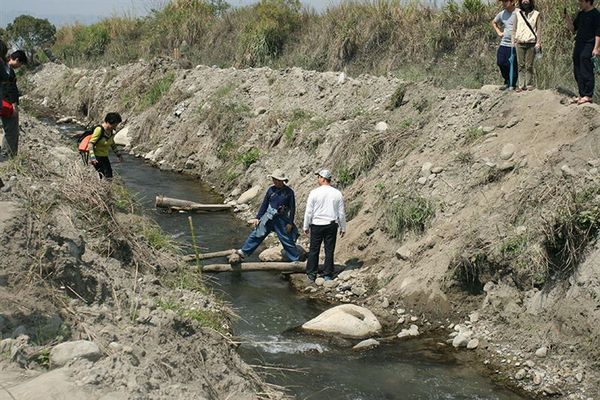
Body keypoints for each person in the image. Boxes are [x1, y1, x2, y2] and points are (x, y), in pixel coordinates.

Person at [236, 169, 300, 262]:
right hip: (268, 217)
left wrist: (290, 223)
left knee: (286, 238)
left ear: (283, 181)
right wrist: (257, 218)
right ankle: (244, 251)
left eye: (278, 180)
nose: (276, 182)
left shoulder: (289, 192)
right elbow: (264, 204)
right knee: (257, 233)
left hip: (281, 219)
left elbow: (292, 208)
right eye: (274, 179)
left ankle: (295, 259)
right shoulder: (271, 190)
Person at [303, 169, 346, 283]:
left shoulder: (314, 192)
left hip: (316, 224)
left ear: (322, 178)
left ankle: (311, 274)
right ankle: (327, 275)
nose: (318, 179)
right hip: (331, 225)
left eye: (318, 177)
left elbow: (309, 212)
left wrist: (306, 226)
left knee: (313, 250)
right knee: (329, 250)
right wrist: (343, 227)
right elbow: (341, 213)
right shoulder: (337, 193)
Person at [565, 0, 600, 105]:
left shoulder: (596, 14)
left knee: (586, 68)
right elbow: (573, 29)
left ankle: (588, 95)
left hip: (590, 44)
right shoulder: (581, 14)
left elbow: (598, 32)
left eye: (581, 1)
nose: (579, 3)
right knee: (577, 67)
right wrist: (567, 19)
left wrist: (596, 48)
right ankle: (581, 94)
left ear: (587, 1)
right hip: (579, 44)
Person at [0, 47, 28, 158]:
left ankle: (6, 153)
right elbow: (9, 89)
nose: (19, 67)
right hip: (7, 104)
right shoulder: (7, 70)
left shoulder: (4, 67)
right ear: (16, 59)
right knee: (11, 130)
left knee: (8, 129)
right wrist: (14, 106)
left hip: (4, 102)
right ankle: (8, 155)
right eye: (20, 64)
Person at [512, 0, 542, 91]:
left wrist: (538, 42)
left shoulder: (536, 14)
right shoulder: (517, 14)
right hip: (519, 42)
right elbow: (514, 29)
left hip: (531, 42)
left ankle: (528, 84)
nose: (525, 1)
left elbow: (539, 29)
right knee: (520, 65)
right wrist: (513, 41)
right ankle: (521, 85)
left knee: (529, 65)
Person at [492, 0, 518, 90]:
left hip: (515, 44)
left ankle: (512, 84)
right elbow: (494, 22)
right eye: (503, 1)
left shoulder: (518, 13)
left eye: (506, 1)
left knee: (513, 65)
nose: (504, 3)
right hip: (504, 43)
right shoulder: (502, 14)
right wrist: (499, 32)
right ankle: (507, 80)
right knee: (501, 62)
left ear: (512, 2)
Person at [88, 112, 123, 179]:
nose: (115, 127)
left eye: (116, 125)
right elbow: (91, 143)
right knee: (102, 176)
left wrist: (118, 155)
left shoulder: (111, 131)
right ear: (107, 122)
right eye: (114, 125)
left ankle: (107, 188)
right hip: (97, 157)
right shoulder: (99, 130)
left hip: (104, 157)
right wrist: (93, 158)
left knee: (109, 176)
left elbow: (112, 143)